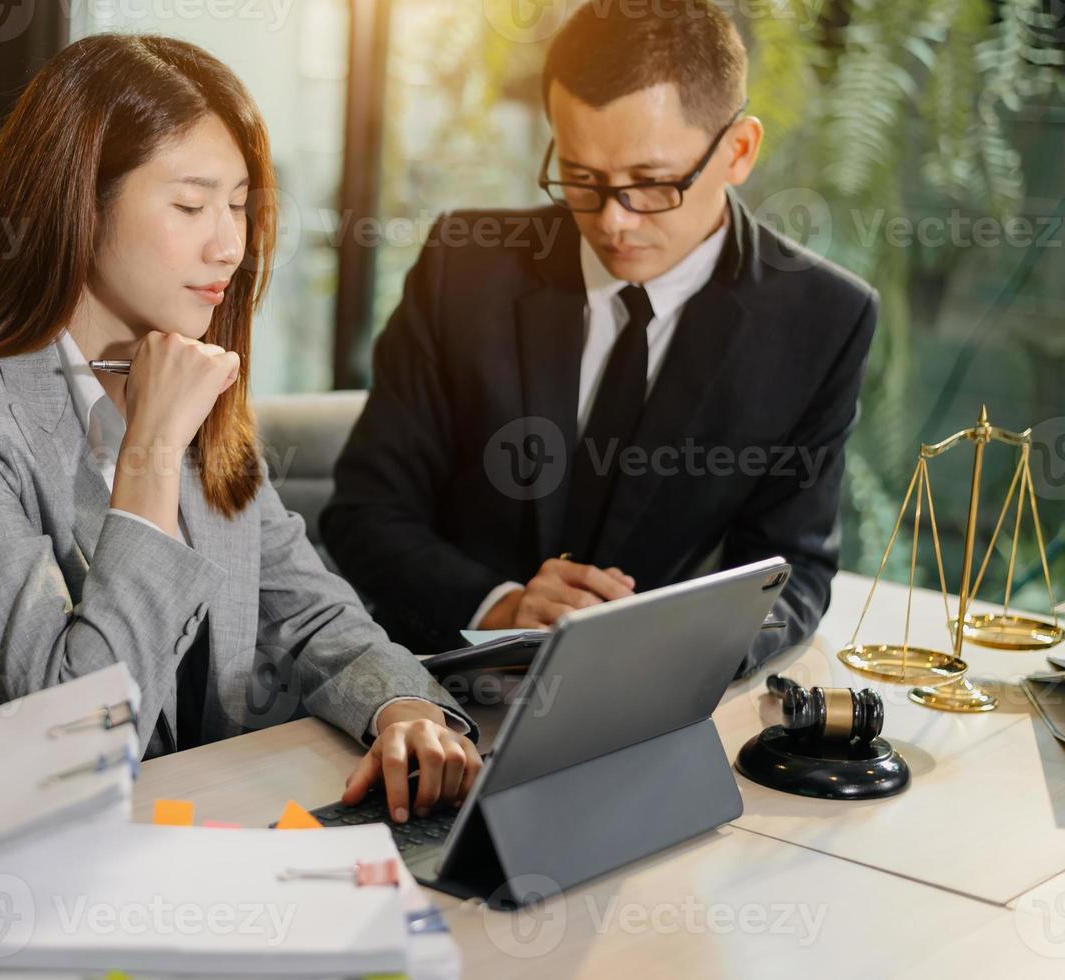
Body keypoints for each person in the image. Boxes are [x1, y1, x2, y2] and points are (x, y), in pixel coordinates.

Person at [0, 34, 480, 824]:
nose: (229, 244)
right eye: (190, 205)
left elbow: (311, 613)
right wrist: (150, 450)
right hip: (13, 859)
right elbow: (81, 731)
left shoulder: (185, 379)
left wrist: (403, 709)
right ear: (78, 203)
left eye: (240, 204)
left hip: (181, 840)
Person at [321, 2, 878, 676]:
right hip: (446, 687)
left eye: (649, 184)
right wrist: (499, 605)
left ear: (738, 151)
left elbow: (792, 573)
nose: (612, 222)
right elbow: (363, 513)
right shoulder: (464, 267)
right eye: (581, 178)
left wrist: (674, 651)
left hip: (655, 701)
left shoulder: (822, 319)